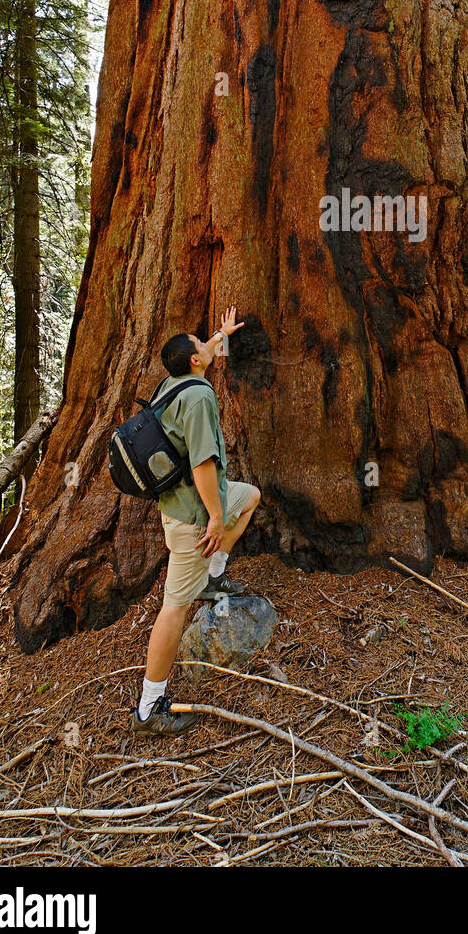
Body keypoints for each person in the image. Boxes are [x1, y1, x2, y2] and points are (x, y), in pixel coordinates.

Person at [131, 307, 261, 734]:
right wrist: (216, 517)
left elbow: (197, 354)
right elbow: (204, 463)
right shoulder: (201, 395)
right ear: (194, 361)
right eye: (202, 344)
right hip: (192, 516)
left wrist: (220, 334)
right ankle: (150, 707)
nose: (207, 345)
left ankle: (214, 575)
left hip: (186, 503)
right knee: (173, 608)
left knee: (252, 497)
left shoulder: (172, 384)